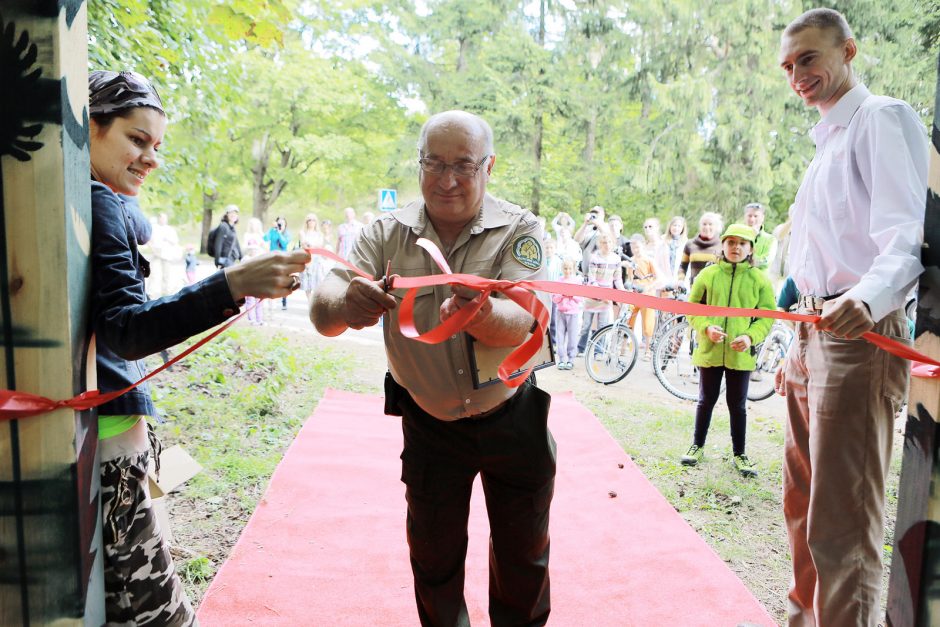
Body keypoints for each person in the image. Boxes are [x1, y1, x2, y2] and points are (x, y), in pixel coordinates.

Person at [310, 110, 555, 626]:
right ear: (418, 163)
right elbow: (325, 305)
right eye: (434, 164)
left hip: (512, 415)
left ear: (489, 166)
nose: (447, 181)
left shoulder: (521, 228)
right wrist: (345, 306)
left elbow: (525, 322)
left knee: (523, 560)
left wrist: (482, 313)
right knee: (435, 561)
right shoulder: (385, 232)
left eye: (463, 166)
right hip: (429, 424)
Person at [87, 69, 309, 626]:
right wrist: (231, 284)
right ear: (87, 128)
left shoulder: (90, 202)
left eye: (156, 146)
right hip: (108, 440)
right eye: (136, 140)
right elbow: (126, 327)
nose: (151, 159)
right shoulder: (100, 205)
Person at [775, 9, 927, 624]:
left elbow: (909, 234)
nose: (798, 76)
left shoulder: (881, 118)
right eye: (789, 66)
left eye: (809, 59)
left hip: (858, 334)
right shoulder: (825, 143)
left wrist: (866, 299)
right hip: (808, 334)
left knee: (841, 518)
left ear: (849, 51)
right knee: (802, 503)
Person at [679, 224, 775, 477]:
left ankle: (740, 454)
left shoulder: (760, 279)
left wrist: (749, 336)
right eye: (731, 242)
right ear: (722, 245)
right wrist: (706, 327)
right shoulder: (707, 275)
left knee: (738, 404)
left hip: (741, 354)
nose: (736, 247)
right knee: (705, 400)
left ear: (751, 248)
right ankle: (697, 446)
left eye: (742, 243)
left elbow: (766, 317)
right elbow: (692, 308)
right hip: (710, 350)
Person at [576, 231, 624, 355]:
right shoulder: (595, 258)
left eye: (609, 242)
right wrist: (599, 293)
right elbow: (592, 279)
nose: (606, 245)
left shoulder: (616, 259)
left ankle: (598, 351)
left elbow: (617, 279)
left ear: (612, 244)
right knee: (586, 324)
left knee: (602, 325)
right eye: (604, 242)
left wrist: (622, 292)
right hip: (592, 295)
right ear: (600, 244)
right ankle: (581, 348)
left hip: (606, 297)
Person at [625, 235, 658, 357]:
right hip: (634, 294)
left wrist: (648, 287)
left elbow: (657, 278)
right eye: (633, 246)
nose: (635, 249)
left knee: (648, 322)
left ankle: (648, 350)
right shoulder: (631, 260)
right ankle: (624, 348)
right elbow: (629, 278)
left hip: (647, 294)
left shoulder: (649, 260)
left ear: (643, 245)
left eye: (637, 246)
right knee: (628, 319)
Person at [552, 257, 583, 370]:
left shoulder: (577, 281)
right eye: (565, 268)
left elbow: (580, 298)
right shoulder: (558, 281)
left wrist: (572, 294)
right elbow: (554, 298)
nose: (567, 271)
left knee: (572, 337)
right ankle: (561, 359)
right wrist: (562, 294)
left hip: (573, 313)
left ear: (573, 268)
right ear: (562, 269)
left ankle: (571, 359)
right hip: (560, 312)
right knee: (560, 337)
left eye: (570, 268)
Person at [679, 211, 723, 287]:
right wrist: (680, 280)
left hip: (715, 290)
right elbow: (682, 266)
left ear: (716, 227)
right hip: (695, 289)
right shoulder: (690, 244)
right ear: (700, 226)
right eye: (704, 224)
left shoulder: (722, 245)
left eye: (710, 224)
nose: (707, 227)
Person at [297, 213, 326, 305]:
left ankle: (315, 302)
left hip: (316, 259)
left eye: (313, 220)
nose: (311, 222)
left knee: (317, 282)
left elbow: (320, 245)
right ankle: (310, 303)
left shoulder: (319, 234)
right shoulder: (303, 232)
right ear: (306, 222)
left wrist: (311, 245)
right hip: (307, 258)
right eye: (309, 220)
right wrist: (311, 246)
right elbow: (304, 244)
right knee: (307, 283)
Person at [573, 205, 610, 275]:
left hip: (603, 267)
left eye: (596, 212)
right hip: (587, 266)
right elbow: (576, 239)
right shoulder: (588, 228)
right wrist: (585, 224)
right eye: (592, 212)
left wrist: (597, 224)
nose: (594, 214)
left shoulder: (607, 226)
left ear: (603, 214)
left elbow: (609, 239)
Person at [742, 202, 777, 274]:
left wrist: (743, 260)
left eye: (755, 216)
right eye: (749, 216)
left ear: (762, 218)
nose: (752, 219)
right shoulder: (737, 236)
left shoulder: (771, 239)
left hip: (760, 282)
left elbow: (766, 261)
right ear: (745, 217)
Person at [243, 218, 267, 325]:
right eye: (252, 224)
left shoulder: (261, 236)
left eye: (256, 225)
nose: (254, 227)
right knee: (250, 296)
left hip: (260, 266)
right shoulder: (247, 235)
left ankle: (260, 319)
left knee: (260, 296)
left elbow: (266, 248)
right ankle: (251, 319)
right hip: (250, 266)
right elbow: (244, 247)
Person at [265, 216, 291, 310]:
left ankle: (284, 301)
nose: (280, 225)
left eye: (282, 224)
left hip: (283, 259)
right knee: (272, 279)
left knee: (284, 280)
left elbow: (284, 243)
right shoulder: (273, 231)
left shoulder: (287, 233)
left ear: (285, 225)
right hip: (273, 258)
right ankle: (272, 300)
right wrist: (271, 229)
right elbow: (265, 239)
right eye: (278, 223)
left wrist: (280, 233)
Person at [659, 216, 688, 291]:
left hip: (678, 278)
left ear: (682, 228)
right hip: (663, 277)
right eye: (674, 225)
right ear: (670, 226)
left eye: (679, 226)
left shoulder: (685, 242)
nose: (676, 228)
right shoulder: (662, 240)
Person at [211, 205, 242, 269]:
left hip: (230, 259)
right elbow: (218, 244)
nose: (233, 215)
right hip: (224, 260)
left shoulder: (232, 228)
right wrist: (217, 261)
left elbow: (236, 244)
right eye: (231, 213)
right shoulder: (223, 227)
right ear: (226, 214)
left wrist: (242, 258)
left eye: (235, 213)